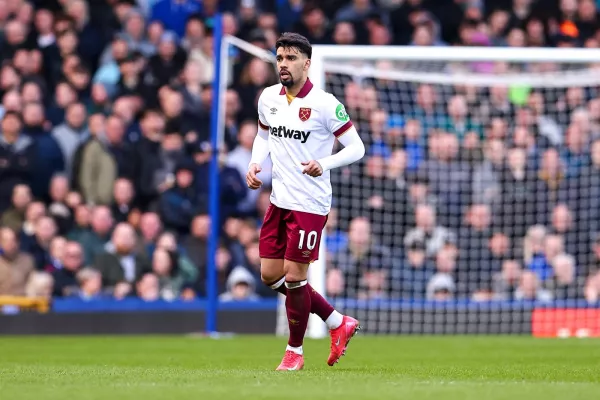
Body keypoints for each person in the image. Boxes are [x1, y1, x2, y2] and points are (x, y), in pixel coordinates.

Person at [246, 32, 365, 371]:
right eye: (279, 58)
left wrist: (323, 164)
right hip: (279, 200)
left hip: (309, 204)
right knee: (271, 275)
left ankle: (294, 352)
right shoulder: (268, 98)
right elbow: (263, 135)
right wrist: (256, 163)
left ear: (307, 64)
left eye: (290, 59)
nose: (283, 64)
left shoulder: (327, 105)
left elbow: (357, 148)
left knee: (295, 276)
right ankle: (337, 321)